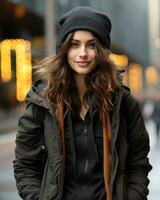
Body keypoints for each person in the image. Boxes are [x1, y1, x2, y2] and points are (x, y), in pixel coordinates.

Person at [13, 6, 152, 200]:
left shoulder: (124, 103)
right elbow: (25, 165)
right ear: (64, 49)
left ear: (102, 51)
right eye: (75, 44)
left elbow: (138, 163)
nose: (83, 53)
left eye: (92, 45)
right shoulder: (42, 102)